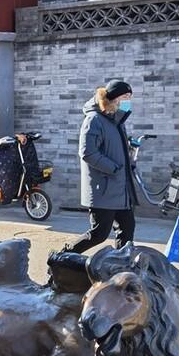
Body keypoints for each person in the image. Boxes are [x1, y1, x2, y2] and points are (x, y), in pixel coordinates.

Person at [61, 79, 138, 254]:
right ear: (114, 98)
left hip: (121, 188)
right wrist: (115, 168)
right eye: (125, 96)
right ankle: (63, 256)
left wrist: (129, 161)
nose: (128, 100)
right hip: (104, 188)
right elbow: (88, 152)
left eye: (130, 97)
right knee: (99, 233)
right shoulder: (94, 119)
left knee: (127, 230)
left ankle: (121, 268)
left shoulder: (116, 121)